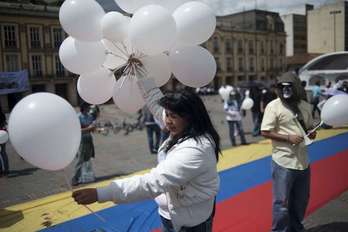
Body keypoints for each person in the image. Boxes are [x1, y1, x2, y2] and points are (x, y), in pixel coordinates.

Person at [72, 69, 221, 232]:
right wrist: (139, 70)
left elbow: (153, 182)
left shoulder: (196, 149)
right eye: (168, 115)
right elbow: (155, 100)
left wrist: (101, 194)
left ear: (190, 117)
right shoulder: (182, 128)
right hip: (172, 214)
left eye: (174, 117)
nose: (168, 121)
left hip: (190, 223)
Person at [261, 72, 317, 232]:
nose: (285, 90)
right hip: (283, 162)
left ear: (297, 87)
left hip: (303, 162)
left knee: (301, 200)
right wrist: (288, 137)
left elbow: (309, 128)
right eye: (282, 86)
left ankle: (296, 228)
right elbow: (265, 131)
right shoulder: (273, 106)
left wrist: (312, 133)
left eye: (289, 86)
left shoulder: (306, 106)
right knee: (282, 203)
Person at [71, 102, 96, 186]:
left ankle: (86, 176)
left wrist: (93, 128)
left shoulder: (90, 116)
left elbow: (92, 128)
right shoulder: (78, 117)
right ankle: (75, 178)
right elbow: (77, 130)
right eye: (88, 107)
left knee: (87, 158)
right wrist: (88, 128)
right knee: (80, 159)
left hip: (88, 139)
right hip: (81, 140)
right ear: (83, 108)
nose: (89, 109)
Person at [0, 107, 8, 177]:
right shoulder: (2, 114)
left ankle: (0, 171)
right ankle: (6, 170)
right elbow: (5, 123)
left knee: (2, 152)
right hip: (3, 134)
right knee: (3, 152)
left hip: (2, 134)